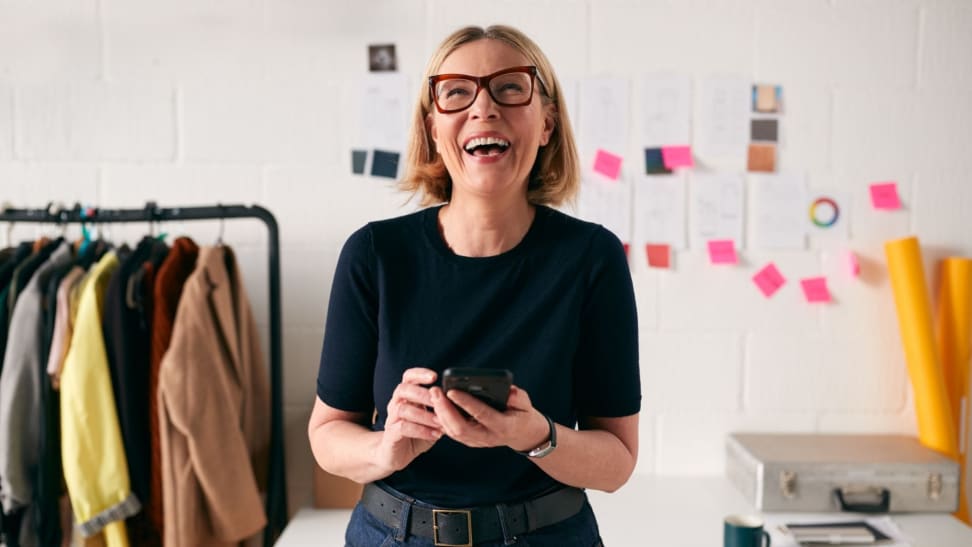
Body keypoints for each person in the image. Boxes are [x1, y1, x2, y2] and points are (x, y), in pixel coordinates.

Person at [309, 24, 640, 547]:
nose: (484, 108)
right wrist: (387, 449)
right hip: (392, 534)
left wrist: (533, 436)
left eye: (511, 88)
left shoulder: (591, 258)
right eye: (457, 91)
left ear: (548, 123)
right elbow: (327, 436)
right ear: (433, 129)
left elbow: (617, 464)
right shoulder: (374, 255)